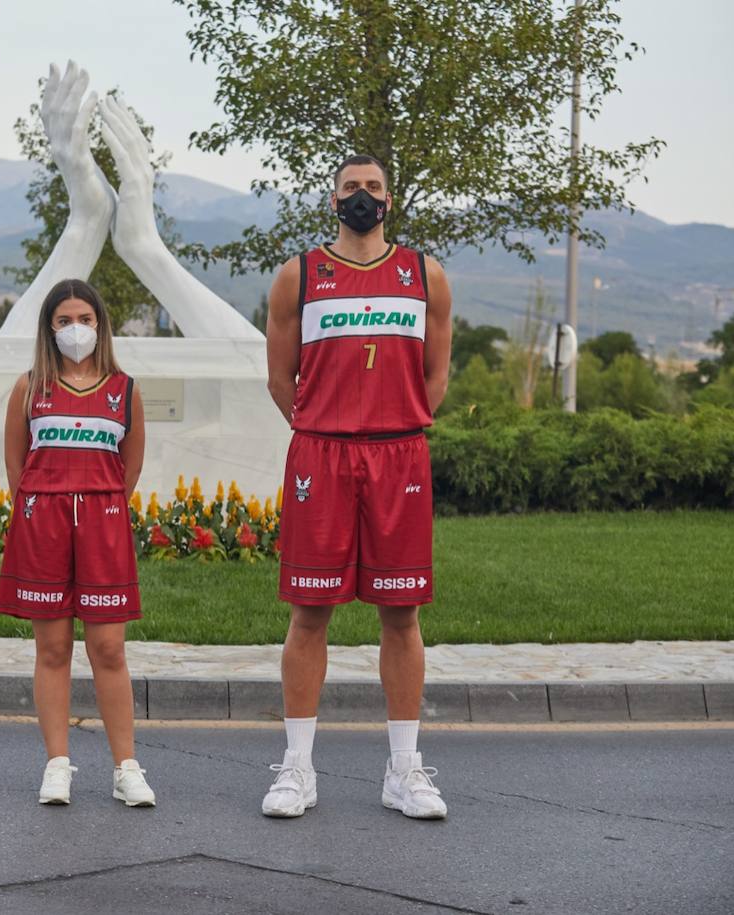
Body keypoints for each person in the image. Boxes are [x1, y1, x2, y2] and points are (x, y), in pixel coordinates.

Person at [262, 154, 453, 820]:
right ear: (333, 199)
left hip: (399, 457)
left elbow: (434, 377)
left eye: (373, 187)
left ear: (390, 199)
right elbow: (281, 380)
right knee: (309, 613)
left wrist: (394, 426)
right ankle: (297, 770)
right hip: (324, 454)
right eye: (351, 187)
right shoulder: (299, 276)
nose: (362, 196)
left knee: (401, 615)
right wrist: (326, 430)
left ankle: (404, 771)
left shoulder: (425, 275)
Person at [0, 278, 154, 808]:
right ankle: (57, 764)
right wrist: (46, 506)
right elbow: (16, 466)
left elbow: (128, 469)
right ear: (48, 329)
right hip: (43, 525)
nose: (75, 329)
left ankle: (126, 766)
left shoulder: (124, 389)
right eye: (63, 321)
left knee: (109, 648)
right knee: (54, 647)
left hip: (103, 527)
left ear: (100, 324)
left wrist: (99, 508)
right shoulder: (30, 387)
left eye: (84, 319)